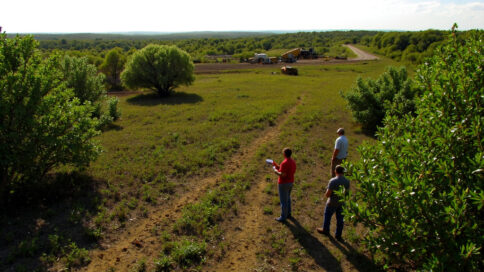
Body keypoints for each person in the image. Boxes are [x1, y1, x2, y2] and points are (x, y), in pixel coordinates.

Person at [317, 165, 350, 241]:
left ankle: (325, 230)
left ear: (335, 171)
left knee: (327, 216)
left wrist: (327, 195)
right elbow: (347, 194)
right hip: (341, 203)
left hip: (332, 202)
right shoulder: (347, 181)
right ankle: (338, 235)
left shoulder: (333, 181)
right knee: (340, 219)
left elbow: (328, 193)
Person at [272, 148, 297, 222]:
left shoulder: (285, 162)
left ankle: (283, 217)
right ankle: (288, 213)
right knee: (288, 198)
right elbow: (285, 170)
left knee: (283, 201)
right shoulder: (292, 161)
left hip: (283, 184)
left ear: (285, 154)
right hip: (290, 182)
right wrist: (276, 165)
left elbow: (282, 174)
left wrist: (275, 171)